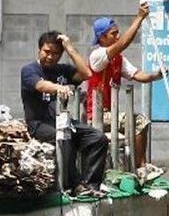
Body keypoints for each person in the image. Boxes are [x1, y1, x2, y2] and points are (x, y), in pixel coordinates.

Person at [21, 31, 108, 198]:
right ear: (39, 50)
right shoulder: (29, 70)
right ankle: (74, 185)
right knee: (64, 137)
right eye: (47, 52)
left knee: (98, 138)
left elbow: (87, 74)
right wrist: (58, 87)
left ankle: (90, 185)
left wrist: (70, 49)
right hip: (39, 124)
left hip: (63, 121)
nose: (50, 57)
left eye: (55, 53)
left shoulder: (62, 70)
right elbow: (40, 85)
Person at [87, 2, 166, 168]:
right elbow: (123, 43)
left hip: (111, 114)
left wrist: (157, 74)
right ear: (102, 37)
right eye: (113, 34)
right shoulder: (98, 55)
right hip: (96, 115)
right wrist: (139, 18)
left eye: (118, 33)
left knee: (140, 122)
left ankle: (137, 167)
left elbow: (138, 75)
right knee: (140, 122)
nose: (117, 36)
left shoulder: (119, 59)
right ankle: (141, 167)